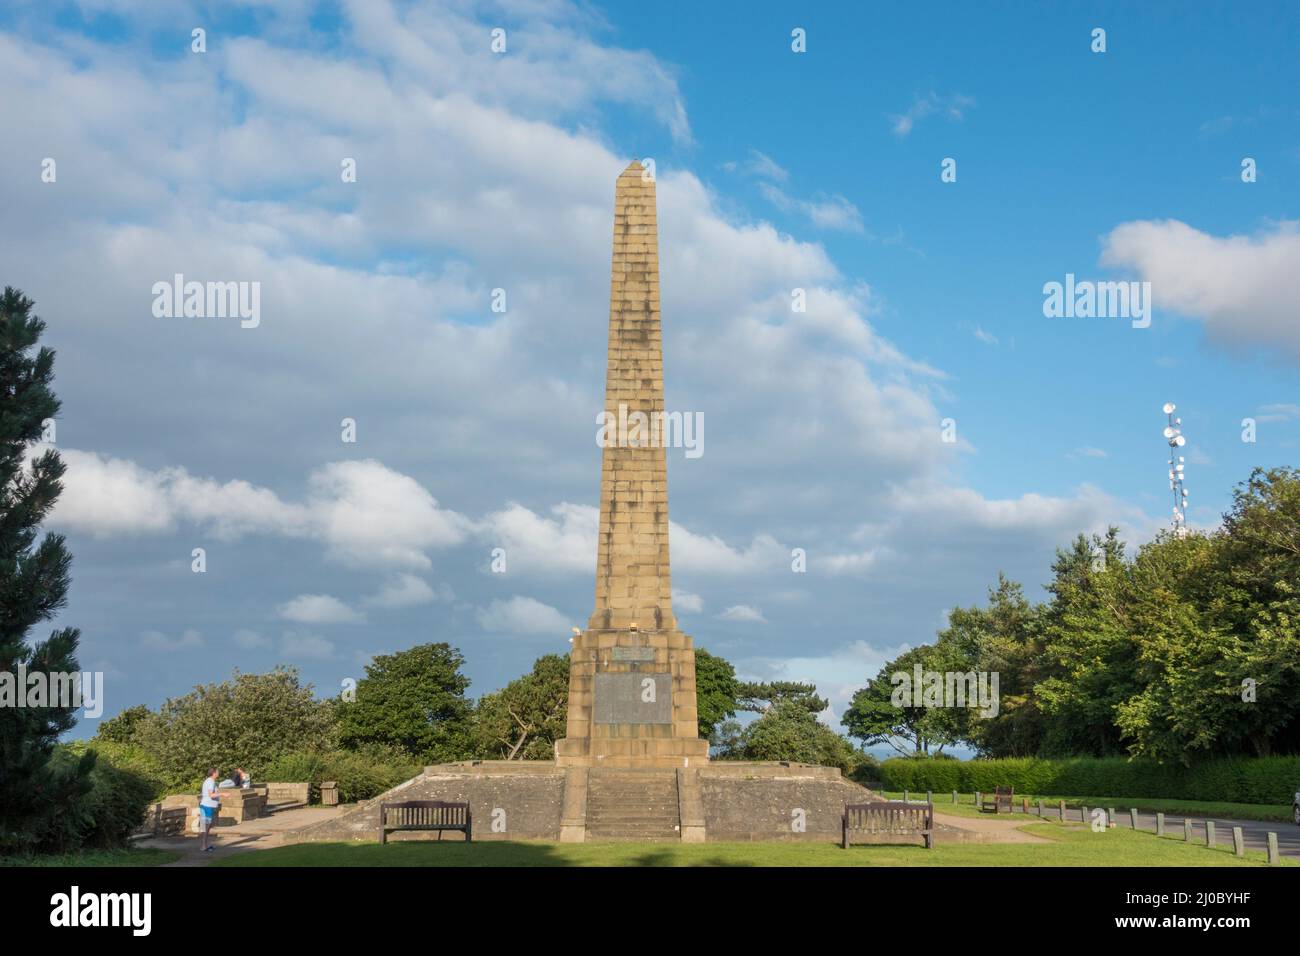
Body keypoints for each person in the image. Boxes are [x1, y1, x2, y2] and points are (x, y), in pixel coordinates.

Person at [199, 768, 221, 852]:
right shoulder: (210, 781)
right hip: (207, 806)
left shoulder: (210, 781)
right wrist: (223, 794)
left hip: (207, 806)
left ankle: (204, 845)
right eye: (217, 772)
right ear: (214, 773)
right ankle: (203, 846)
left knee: (207, 826)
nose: (219, 773)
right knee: (206, 826)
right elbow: (211, 795)